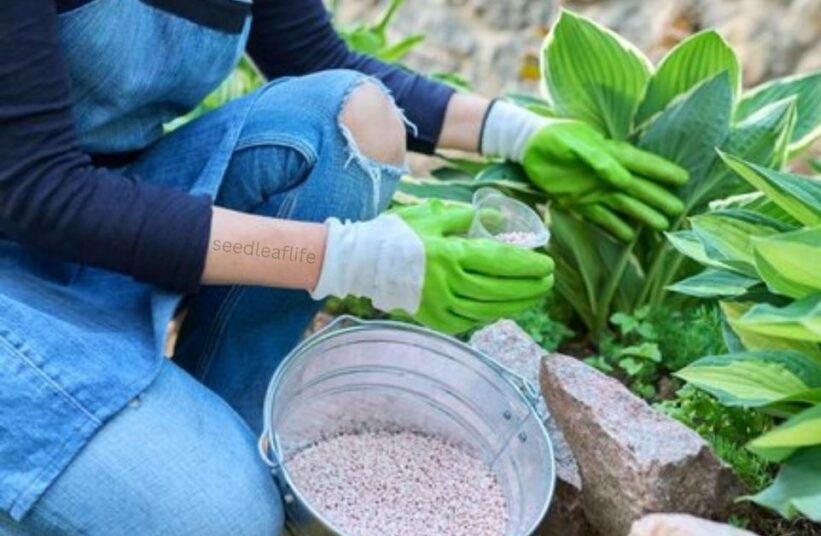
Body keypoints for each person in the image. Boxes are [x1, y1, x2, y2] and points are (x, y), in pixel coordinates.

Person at [0, 0, 688, 533]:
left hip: (98, 226)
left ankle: (211, 426)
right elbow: (38, 189)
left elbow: (315, 56)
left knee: (349, 117)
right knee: (224, 519)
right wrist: (359, 259)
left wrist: (518, 132)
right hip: (28, 242)